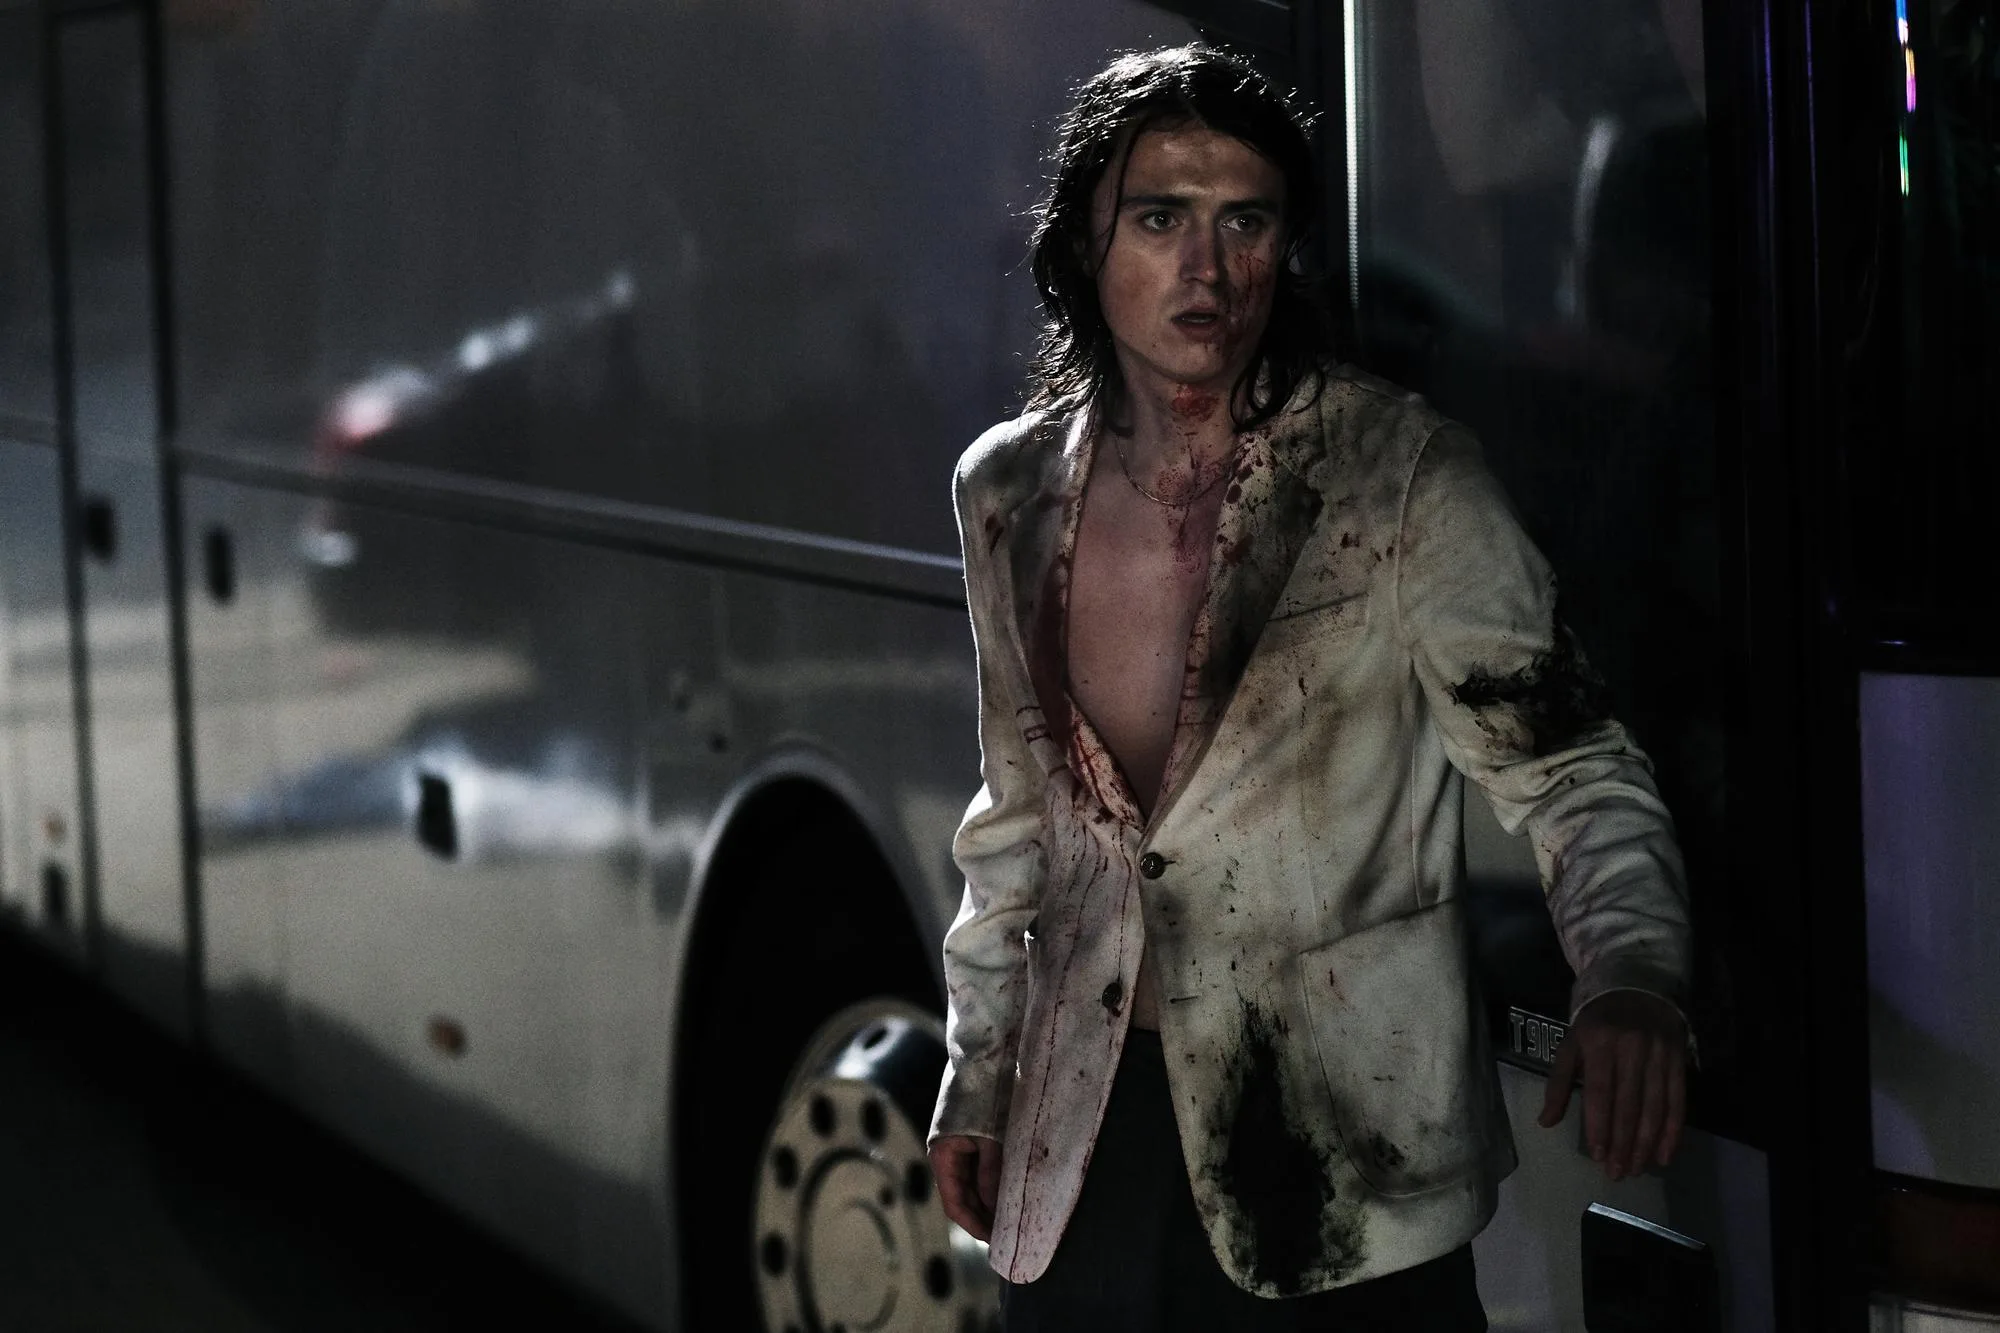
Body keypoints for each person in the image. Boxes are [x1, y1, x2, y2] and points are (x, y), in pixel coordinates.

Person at [926, 45, 1692, 1332]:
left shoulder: (1399, 475)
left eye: (1245, 222)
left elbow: (1572, 768)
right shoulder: (1006, 490)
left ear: (1284, 249)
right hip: (1085, 1149)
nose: (1205, 266)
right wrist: (980, 1069)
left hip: (1345, 1160)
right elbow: (1015, 819)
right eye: (1158, 219)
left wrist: (1629, 971)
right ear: (1081, 244)